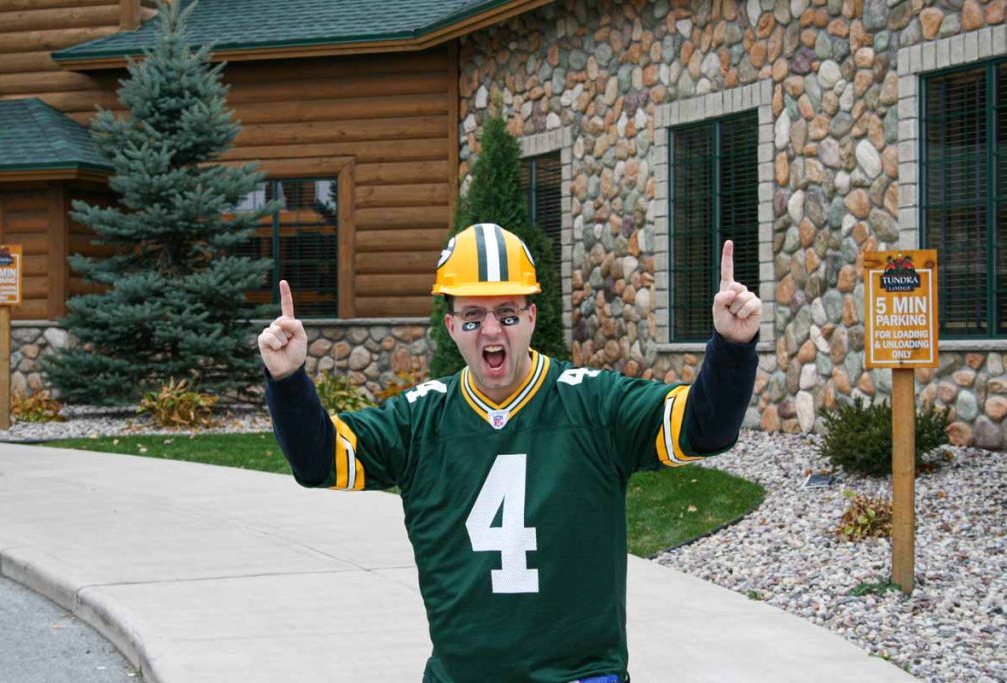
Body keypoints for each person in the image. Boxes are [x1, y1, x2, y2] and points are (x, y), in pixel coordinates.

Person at [259, 223, 761, 683]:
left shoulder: (594, 404)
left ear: (531, 317)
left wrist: (732, 348)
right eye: (473, 316)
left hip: (581, 675)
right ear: (451, 326)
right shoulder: (417, 421)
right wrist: (287, 381)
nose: (493, 330)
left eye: (507, 313)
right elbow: (318, 461)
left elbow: (704, 428)